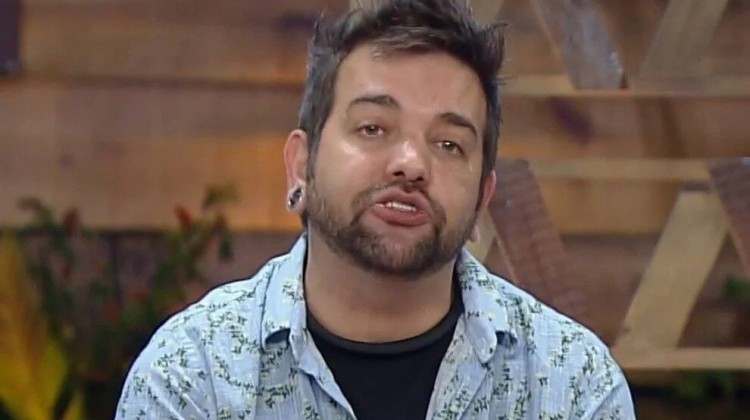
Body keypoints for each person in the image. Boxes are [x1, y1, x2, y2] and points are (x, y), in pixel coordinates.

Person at [116, 0, 635, 418]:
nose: (411, 164)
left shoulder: (571, 384)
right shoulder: (193, 375)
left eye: (449, 144)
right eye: (373, 128)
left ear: (482, 197)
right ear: (301, 166)